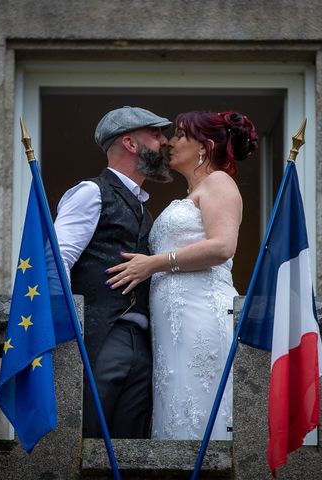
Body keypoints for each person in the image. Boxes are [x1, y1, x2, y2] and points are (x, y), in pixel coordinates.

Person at [106, 110, 258, 440]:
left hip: (200, 313)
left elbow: (222, 246)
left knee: (198, 401)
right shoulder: (191, 194)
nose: (170, 142)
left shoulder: (219, 182)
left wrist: (153, 263)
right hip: (172, 325)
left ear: (204, 145)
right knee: (174, 403)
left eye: (179, 136)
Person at [54, 106, 172, 438]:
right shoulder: (91, 192)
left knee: (129, 444)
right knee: (89, 435)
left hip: (142, 343)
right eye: (156, 133)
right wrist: (70, 329)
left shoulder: (143, 208)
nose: (164, 141)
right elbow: (57, 260)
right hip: (100, 337)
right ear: (130, 143)